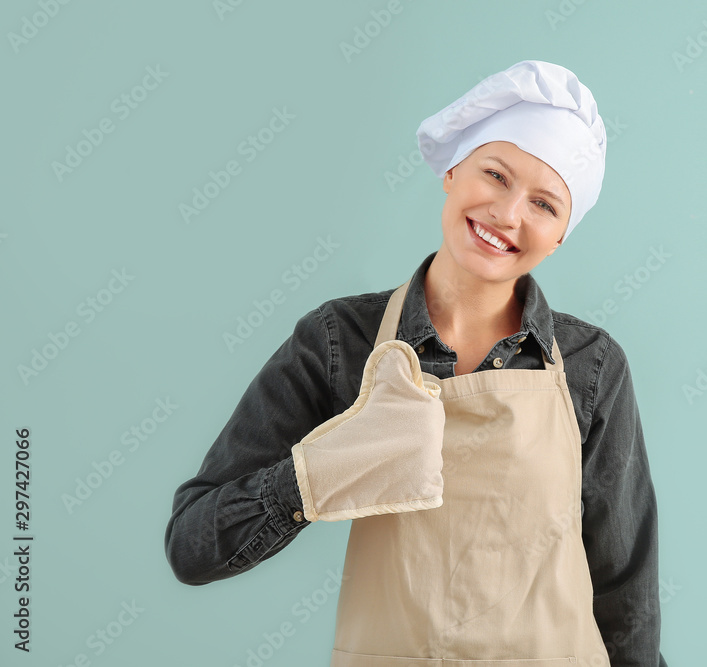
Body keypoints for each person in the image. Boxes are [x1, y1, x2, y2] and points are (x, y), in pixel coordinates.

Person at [165, 60, 667, 666]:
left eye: (544, 203)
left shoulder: (592, 367)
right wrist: (320, 474)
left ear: (561, 234)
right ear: (453, 171)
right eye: (495, 174)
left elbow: (625, 594)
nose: (508, 215)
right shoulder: (340, 341)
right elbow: (192, 546)